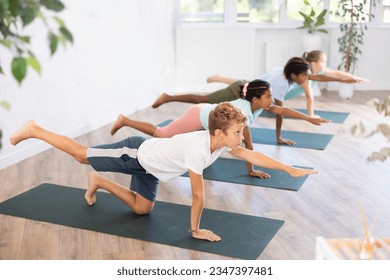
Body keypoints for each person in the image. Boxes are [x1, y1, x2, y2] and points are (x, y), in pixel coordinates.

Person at [10, 103, 317, 242]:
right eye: (238, 132)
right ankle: (35, 129)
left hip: (152, 167)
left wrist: (288, 168)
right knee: (80, 155)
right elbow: (197, 195)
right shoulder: (200, 150)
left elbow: (253, 154)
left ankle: (99, 181)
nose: (242, 137)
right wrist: (195, 230)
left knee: (142, 210)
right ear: (220, 132)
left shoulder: (221, 143)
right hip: (135, 154)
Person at [111, 79, 330, 178]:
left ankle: (251, 169)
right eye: (268, 96)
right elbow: (242, 140)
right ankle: (125, 121)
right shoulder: (242, 109)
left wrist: (310, 119)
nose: (271, 100)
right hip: (198, 115)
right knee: (162, 133)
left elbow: (282, 112)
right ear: (255, 99)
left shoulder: (257, 107)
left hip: (209, 118)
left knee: (247, 144)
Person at [152, 55, 365, 144]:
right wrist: (279, 137)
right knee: (202, 99)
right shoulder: (280, 87)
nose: (307, 80)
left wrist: (345, 80)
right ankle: (168, 97)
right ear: (294, 76)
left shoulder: (291, 74)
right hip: (242, 90)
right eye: (304, 77)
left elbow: (318, 76)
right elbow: (280, 113)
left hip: (252, 89)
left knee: (210, 111)